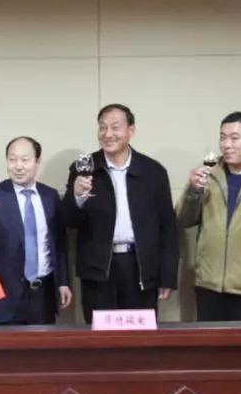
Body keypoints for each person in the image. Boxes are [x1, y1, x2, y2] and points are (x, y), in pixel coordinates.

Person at [63, 104, 177, 322]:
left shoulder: (153, 171)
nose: (108, 134)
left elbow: (168, 227)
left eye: (115, 127)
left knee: (138, 336)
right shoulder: (83, 168)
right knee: (100, 335)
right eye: (102, 127)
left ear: (131, 131)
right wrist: (77, 196)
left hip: (141, 267)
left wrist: (168, 276)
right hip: (98, 270)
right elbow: (69, 221)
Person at [178, 112, 241, 320]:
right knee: (210, 342)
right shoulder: (207, 175)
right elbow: (184, 220)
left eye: (234, 138)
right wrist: (193, 190)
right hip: (209, 285)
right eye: (222, 137)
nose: (226, 145)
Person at [0, 136, 71, 325]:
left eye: (25, 160)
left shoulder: (50, 196)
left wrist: (63, 282)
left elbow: (59, 243)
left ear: (37, 161)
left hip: (42, 295)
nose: (18, 166)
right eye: (12, 159)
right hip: (1, 298)